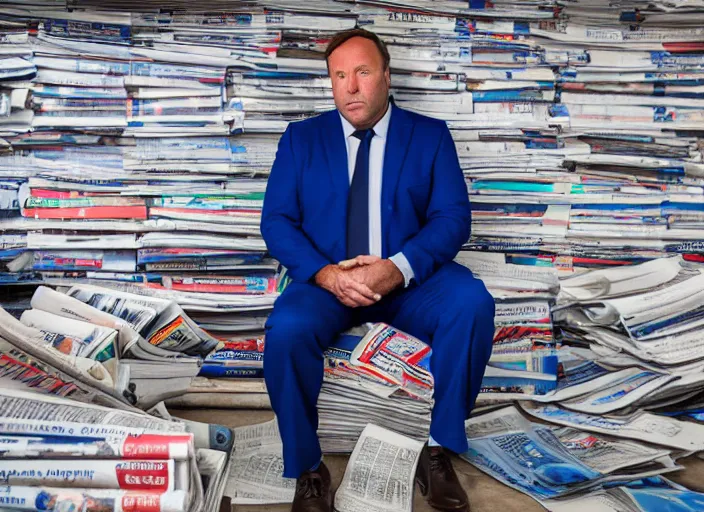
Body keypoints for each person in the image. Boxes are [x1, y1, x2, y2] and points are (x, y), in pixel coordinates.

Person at [261, 28, 495, 512]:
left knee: (472, 303)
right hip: (330, 282)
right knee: (285, 329)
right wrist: (327, 275)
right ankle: (307, 468)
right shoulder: (301, 139)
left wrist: (397, 267)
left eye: (362, 73)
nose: (350, 87)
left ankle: (439, 449)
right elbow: (276, 222)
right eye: (339, 76)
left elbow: (453, 218)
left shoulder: (430, 136)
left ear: (386, 76)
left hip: (411, 281)